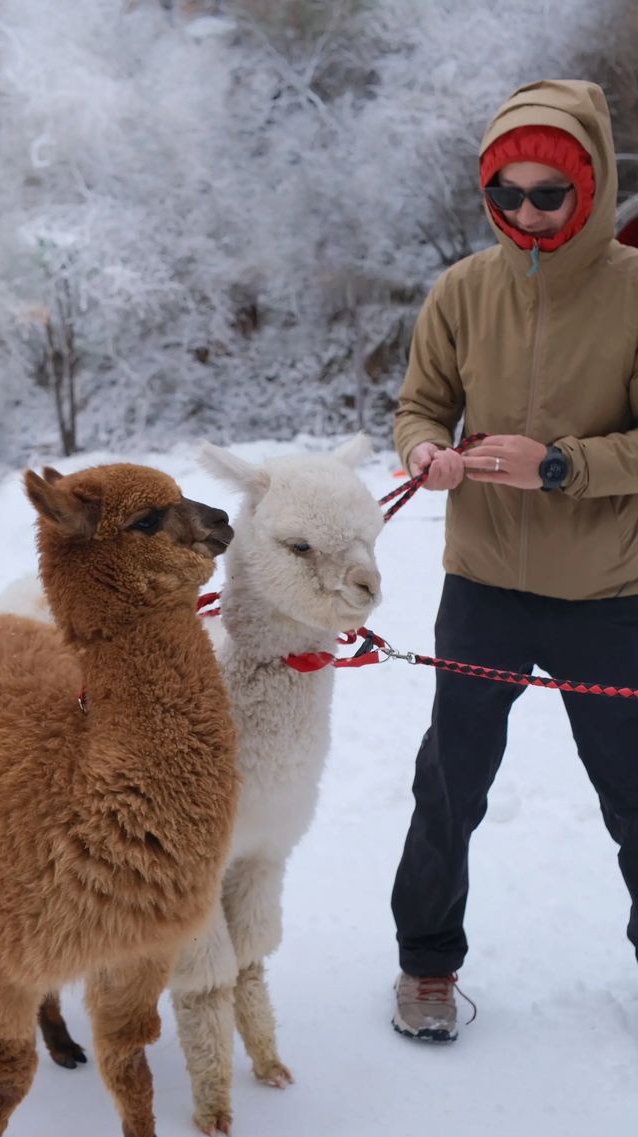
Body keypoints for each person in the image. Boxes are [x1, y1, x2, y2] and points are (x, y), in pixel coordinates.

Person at [391, 78, 638, 1043]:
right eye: (508, 196)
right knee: (449, 782)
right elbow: (420, 403)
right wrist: (423, 451)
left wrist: (563, 466)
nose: (527, 215)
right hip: (483, 587)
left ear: (591, 187)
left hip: (607, 597)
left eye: (550, 195)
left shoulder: (630, 291)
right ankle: (425, 967)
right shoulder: (462, 289)